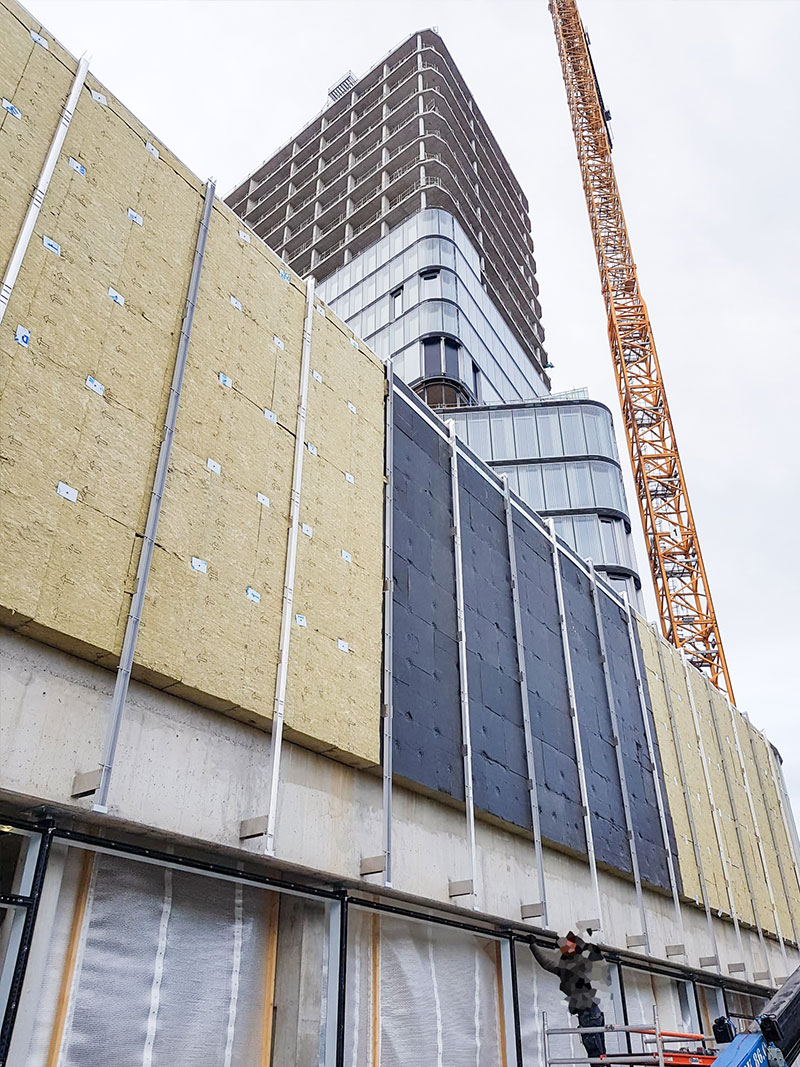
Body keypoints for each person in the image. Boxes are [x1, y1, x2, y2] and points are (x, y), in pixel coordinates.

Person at [530, 931, 607, 1061]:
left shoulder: (576, 966)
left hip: (588, 1012)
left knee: (595, 1053)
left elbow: (548, 963)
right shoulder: (573, 967)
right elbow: (547, 963)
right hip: (591, 1012)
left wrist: (534, 944)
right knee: (598, 1053)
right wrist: (535, 945)